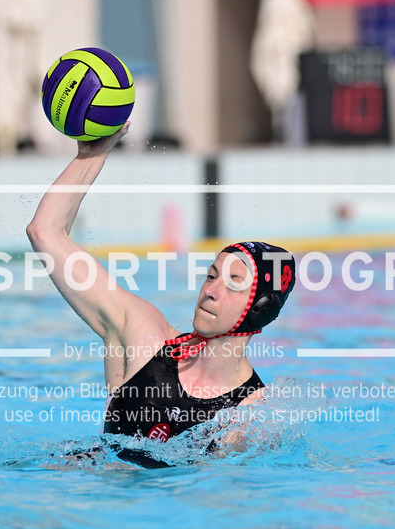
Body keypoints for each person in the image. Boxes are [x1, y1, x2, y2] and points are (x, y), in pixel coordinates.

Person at [26, 124, 296, 467]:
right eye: (211, 275)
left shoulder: (252, 418)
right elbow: (45, 232)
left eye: (232, 283)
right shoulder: (143, 335)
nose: (210, 291)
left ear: (260, 308)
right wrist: (92, 154)